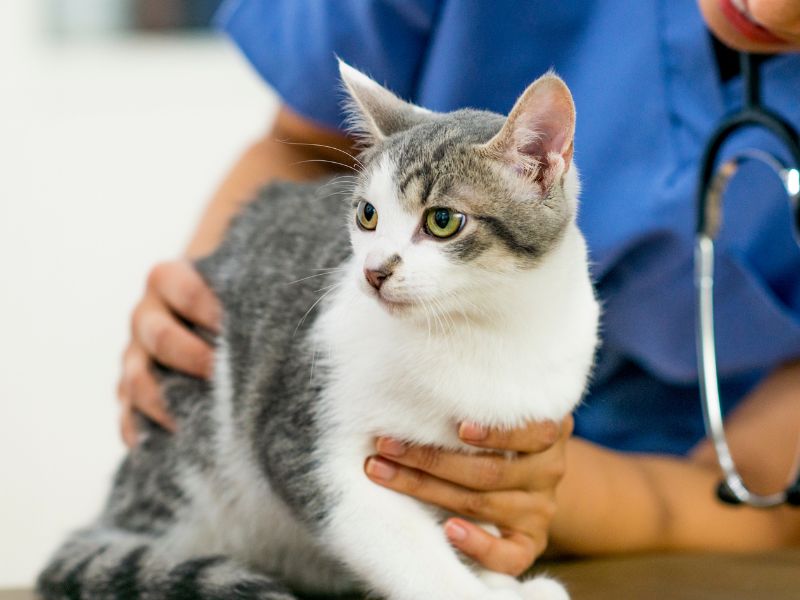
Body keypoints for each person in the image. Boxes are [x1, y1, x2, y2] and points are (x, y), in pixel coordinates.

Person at [117, 0, 800, 576]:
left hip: (659, 531)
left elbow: (771, 500)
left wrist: (527, 485)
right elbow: (304, 147)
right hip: (346, 468)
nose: (768, 8)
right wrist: (209, 319)